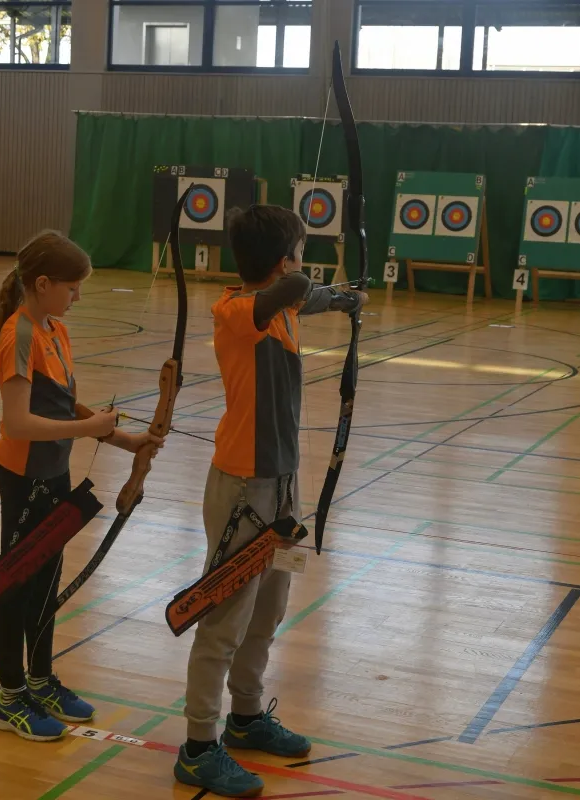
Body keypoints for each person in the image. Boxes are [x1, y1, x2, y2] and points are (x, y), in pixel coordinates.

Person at [174, 205, 369, 796]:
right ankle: (198, 746)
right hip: (243, 489)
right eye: (300, 251)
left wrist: (347, 299)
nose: (302, 265)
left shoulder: (281, 304)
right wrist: (306, 279)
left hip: (285, 488)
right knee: (225, 619)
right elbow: (294, 288)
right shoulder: (237, 310)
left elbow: (308, 294)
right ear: (285, 261)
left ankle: (246, 715)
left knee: (272, 605)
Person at [0, 230, 164, 742]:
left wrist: (124, 440)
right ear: (42, 284)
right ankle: (8, 698)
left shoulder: (54, 330)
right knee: (13, 584)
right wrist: (88, 428)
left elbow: (64, 407)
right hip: (22, 476)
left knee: (46, 581)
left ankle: (40, 681)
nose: (78, 296)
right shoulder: (20, 336)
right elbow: (18, 423)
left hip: (53, 472)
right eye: (72, 287)